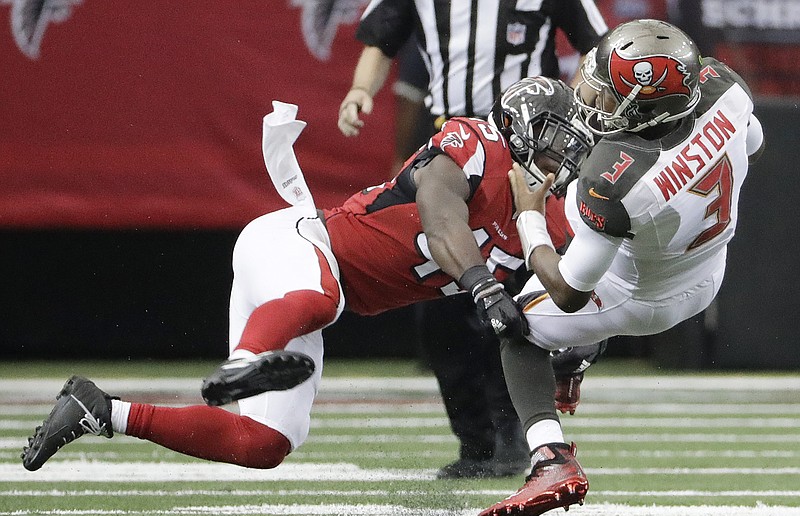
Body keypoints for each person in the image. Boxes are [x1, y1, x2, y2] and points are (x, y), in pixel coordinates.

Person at [21, 77, 594, 477]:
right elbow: (443, 222)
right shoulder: (472, 144)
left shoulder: (536, 222)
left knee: (264, 444)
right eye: (556, 139)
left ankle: (101, 410)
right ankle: (244, 366)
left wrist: (574, 349)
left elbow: (565, 292)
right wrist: (482, 285)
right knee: (324, 294)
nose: (564, 157)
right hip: (297, 243)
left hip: (309, 294)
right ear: (521, 130)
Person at [475, 19, 766, 516]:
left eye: (608, 95)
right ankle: (575, 356)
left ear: (647, 107)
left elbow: (568, 292)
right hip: (708, 268)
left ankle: (550, 459)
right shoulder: (723, 86)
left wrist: (527, 213)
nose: (592, 98)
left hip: (640, 296)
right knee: (587, 247)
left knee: (519, 324)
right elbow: (753, 142)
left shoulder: (611, 179)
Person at [338, 0, 608, 479]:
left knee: (519, 301)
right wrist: (360, 89)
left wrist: (573, 118)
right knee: (442, 308)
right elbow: (382, 35)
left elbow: (602, 53)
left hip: (531, 152)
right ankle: (476, 442)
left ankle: (516, 434)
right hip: (453, 145)